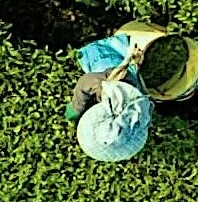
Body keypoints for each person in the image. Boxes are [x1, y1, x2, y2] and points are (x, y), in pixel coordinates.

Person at [63, 27, 164, 162]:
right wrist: (75, 109)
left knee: (97, 56)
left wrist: (76, 109)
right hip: (129, 74)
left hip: (108, 62)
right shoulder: (136, 105)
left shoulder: (98, 83)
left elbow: (82, 88)